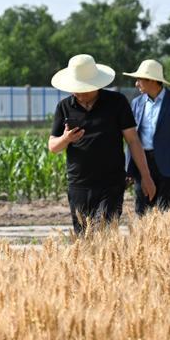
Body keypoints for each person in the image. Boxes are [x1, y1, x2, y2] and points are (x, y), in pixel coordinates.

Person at [48, 54, 156, 235]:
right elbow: (52, 146)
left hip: (111, 183)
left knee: (103, 233)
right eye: (76, 89)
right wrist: (66, 139)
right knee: (84, 239)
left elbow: (133, 140)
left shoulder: (117, 103)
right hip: (79, 185)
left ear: (96, 84)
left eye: (84, 89)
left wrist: (146, 176)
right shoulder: (64, 107)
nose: (80, 93)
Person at [122, 59, 170, 214]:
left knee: (167, 212)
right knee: (142, 210)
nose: (136, 84)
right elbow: (131, 138)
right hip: (143, 164)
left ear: (152, 81)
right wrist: (129, 169)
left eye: (139, 80)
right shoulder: (136, 103)